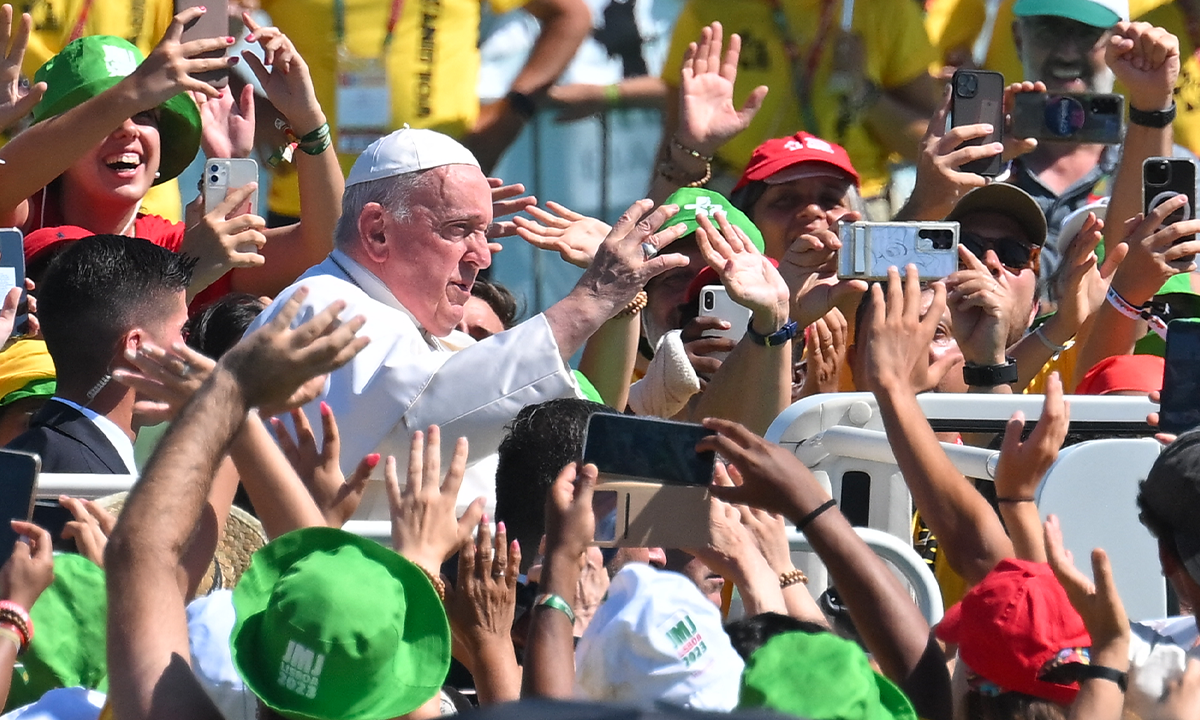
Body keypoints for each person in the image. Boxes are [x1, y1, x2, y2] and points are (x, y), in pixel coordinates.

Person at [247, 126, 693, 515]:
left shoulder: (412, 325)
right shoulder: (321, 307)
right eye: (458, 230)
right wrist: (591, 299)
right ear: (377, 230)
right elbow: (426, 418)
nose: (481, 257)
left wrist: (680, 445)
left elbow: (562, 433)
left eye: (484, 231)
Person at [0, 8, 343, 306]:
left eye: (145, 114)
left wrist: (309, 123)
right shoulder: (25, 218)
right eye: (103, 117)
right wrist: (188, 271)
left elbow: (323, 247)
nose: (127, 129)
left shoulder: (173, 243)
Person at [253, 0, 591, 227]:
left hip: (440, 204)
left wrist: (511, 114)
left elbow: (569, 14)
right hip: (309, 209)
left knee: (452, 336)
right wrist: (260, 112)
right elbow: (207, 25)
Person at [656, 8, 938, 210]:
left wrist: (865, 93)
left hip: (853, 203)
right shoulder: (710, 9)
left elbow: (926, 144)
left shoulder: (889, 11)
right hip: (739, 200)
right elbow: (676, 134)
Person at [6, 235, 193, 473]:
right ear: (136, 348)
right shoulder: (87, 482)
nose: (187, 351)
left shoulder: (24, 456)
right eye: (182, 331)